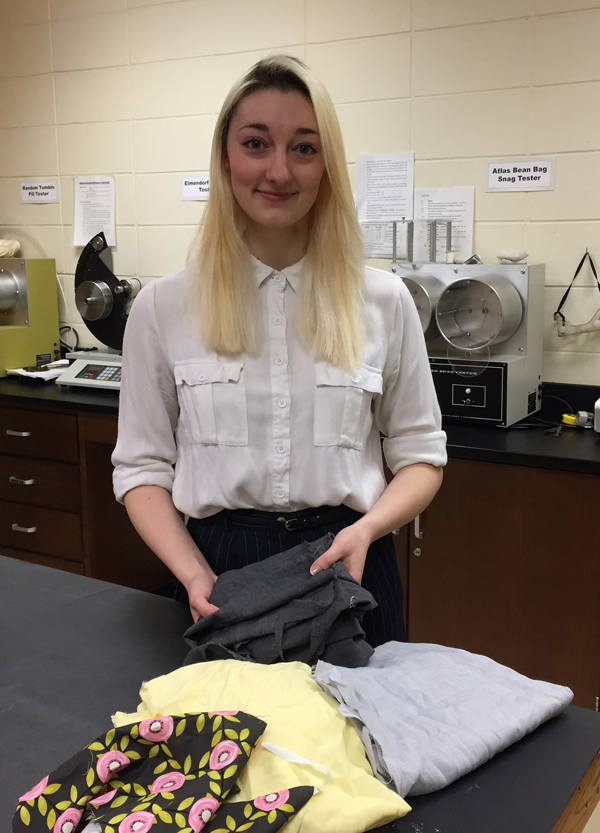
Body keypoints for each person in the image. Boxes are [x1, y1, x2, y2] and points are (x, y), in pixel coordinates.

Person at [112, 55, 447, 647]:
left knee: (364, 737)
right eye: (255, 143)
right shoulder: (162, 308)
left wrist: (370, 528)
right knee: (233, 739)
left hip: (352, 557)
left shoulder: (384, 300)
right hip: (219, 569)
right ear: (225, 159)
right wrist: (194, 574)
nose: (278, 170)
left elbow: (421, 456)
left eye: (303, 148)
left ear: (327, 166)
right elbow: (140, 470)